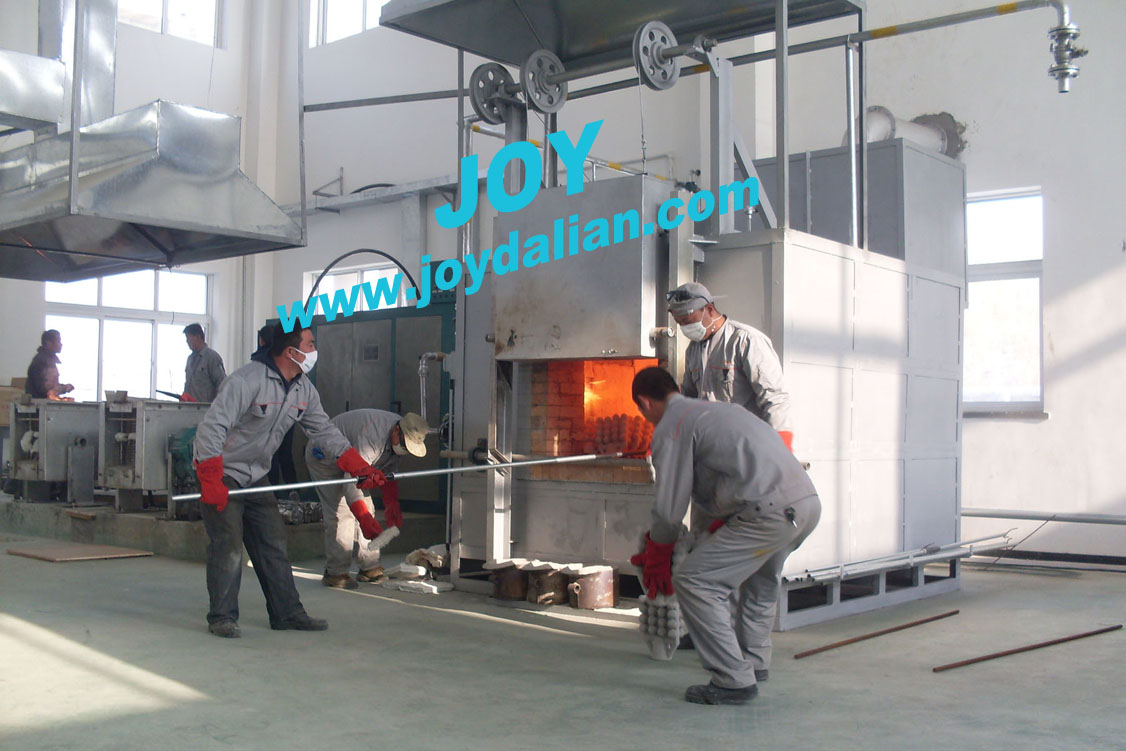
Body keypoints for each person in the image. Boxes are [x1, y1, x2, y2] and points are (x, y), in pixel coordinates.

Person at [630, 367, 821, 705]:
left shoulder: (673, 426)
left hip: (768, 512)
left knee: (696, 582)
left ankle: (733, 680)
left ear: (644, 403)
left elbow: (670, 507)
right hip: (805, 504)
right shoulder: (719, 411)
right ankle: (755, 662)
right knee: (761, 583)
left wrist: (659, 550)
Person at [192, 323, 389, 638]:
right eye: (310, 344)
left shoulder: (303, 389)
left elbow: (323, 430)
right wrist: (211, 477)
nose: (315, 350)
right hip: (224, 472)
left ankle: (287, 613)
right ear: (290, 351)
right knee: (228, 547)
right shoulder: (246, 381)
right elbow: (212, 428)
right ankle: (222, 617)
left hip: (257, 475)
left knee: (273, 543)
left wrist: (358, 466)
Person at [305, 409, 430, 589]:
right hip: (325, 457)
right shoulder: (373, 438)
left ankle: (369, 566)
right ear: (397, 431)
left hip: (355, 462)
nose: (404, 449)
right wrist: (362, 518)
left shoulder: (400, 438)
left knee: (368, 508)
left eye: (408, 448)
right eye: (404, 444)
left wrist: (392, 504)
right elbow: (351, 480)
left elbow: (388, 472)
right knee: (342, 513)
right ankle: (336, 572)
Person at [666, 282, 793, 451]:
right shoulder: (693, 350)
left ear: (710, 309)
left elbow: (775, 398)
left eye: (687, 321)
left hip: (749, 447)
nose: (684, 327)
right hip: (713, 447)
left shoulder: (745, 341)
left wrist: (781, 447)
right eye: (679, 323)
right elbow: (689, 400)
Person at [254, 323, 298, 487]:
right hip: (288, 412)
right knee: (285, 453)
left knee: (269, 453)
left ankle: (272, 491)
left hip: (265, 412)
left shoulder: (259, 361)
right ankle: (293, 489)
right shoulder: (288, 360)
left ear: (261, 340)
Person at [182, 323, 226, 403]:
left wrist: (216, 406)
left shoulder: (212, 357)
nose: (187, 341)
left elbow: (222, 384)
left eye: (188, 338)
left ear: (198, 337)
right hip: (189, 407)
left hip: (205, 408)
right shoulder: (190, 359)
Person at [26, 330, 74, 399]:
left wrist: (63, 387)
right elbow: (44, 388)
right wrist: (63, 388)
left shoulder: (47, 360)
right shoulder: (41, 361)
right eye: (58, 341)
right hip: (40, 403)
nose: (60, 344)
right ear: (48, 343)